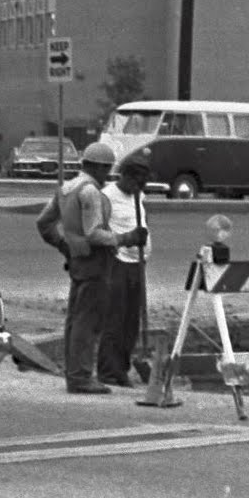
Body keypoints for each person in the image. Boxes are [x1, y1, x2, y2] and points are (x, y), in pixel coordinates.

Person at [35, 142, 143, 394]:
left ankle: (74, 373)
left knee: (75, 319)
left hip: (78, 260)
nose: (108, 175)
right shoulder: (91, 192)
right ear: (97, 167)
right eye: (106, 169)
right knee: (88, 321)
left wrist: (65, 246)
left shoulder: (66, 188)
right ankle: (81, 376)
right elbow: (94, 234)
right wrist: (125, 238)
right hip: (96, 261)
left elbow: (43, 223)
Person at [96, 147, 152, 387]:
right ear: (124, 177)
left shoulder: (138, 195)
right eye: (136, 183)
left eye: (142, 184)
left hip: (138, 263)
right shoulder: (106, 196)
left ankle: (124, 367)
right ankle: (109, 370)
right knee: (114, 319)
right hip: (116, 263)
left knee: (131, 320)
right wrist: (129, 237)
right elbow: (99, 231)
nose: (138, 188)